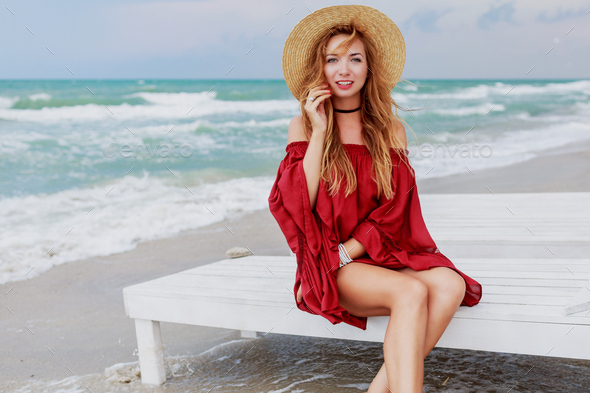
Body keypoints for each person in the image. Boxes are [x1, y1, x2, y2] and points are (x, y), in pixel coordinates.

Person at [268, 5, 482, 393]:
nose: (344, 69)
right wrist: (318, 132)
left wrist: (348, 251)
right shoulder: (302, 126)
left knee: (449, 285)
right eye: (332, 60)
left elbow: (395, 210)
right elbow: (299, 201)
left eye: (355, 59)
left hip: (373, 255)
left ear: (369, 69)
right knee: (411, 291)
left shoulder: (390, 130)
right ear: (321, 70)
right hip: (327, 264)